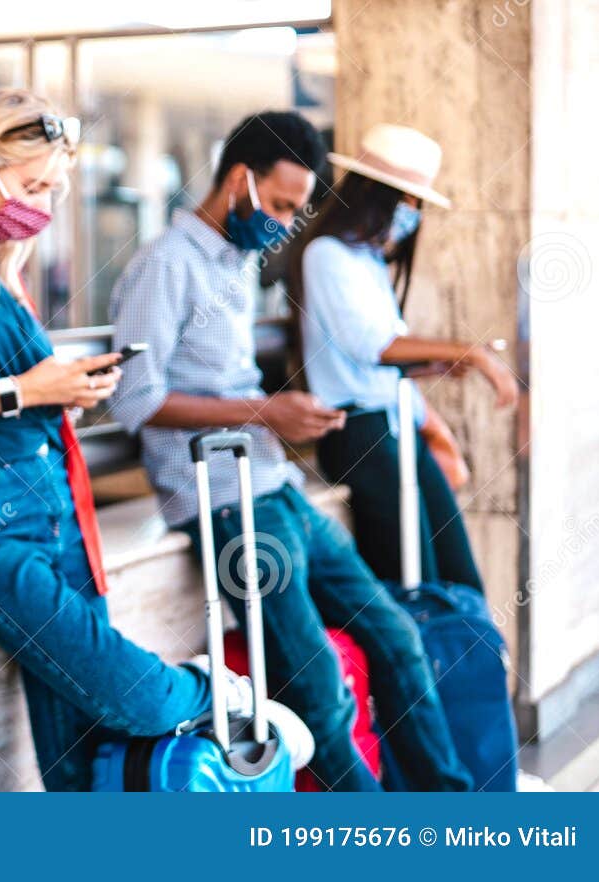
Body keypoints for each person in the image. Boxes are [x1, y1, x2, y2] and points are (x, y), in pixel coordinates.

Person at [0, 89, 311, 791]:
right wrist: (30, 390)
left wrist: (67, 384)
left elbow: (20, 383)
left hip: (56, 508)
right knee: (136, 695)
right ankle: (226, 693)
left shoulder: (0, 265)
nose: (43, 203)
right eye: (33, 185)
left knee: (76, 752)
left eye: (53, 189)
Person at [108, 110, 474, 792]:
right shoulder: (166, 264)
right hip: (219, 501)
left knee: (397, 637)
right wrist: (265, 410)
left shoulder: (238, 264)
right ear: (238, 180)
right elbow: (134, 401)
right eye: (277, 206)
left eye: (294, 211)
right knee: (318, 687)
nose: (283, 224)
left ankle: (448, 812)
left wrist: (279, 417)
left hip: (274, 485)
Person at [289, 123, 518, 590]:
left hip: (396, 427)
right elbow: (369, 346)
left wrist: (435, 366)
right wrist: (468, 353)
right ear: (375, 195)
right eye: (407, 201)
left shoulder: (368, 262)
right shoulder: (327, 255)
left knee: (457, 574)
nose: (411, 214)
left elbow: (384, 356)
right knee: (413, 577)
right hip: (359, 432)